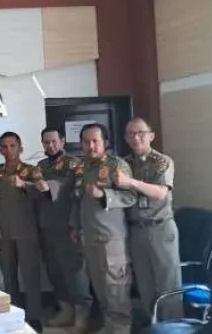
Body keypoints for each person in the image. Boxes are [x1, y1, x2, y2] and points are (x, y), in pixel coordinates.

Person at [71, 123, 137, 334]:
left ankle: (120, 329)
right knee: (100, 288)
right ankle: (110, 327)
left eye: (95, 141)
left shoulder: (116, 165)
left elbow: (131, 196)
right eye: (86, 142)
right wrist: (75, 226)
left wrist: (104, 195)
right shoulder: (83, 168)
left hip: (111, 238)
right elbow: (78, 200)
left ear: (105, 143)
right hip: (89, 236)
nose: (90, 146)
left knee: (115, 288)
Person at [118, 118, 180, 322]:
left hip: (160, 228)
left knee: (168, 283)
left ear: (151, 136)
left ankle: (172, 327)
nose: (136, 138)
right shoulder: (124, 163)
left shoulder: (162, 161)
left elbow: (160, 193)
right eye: (131, 134)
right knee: (145, 284)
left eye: (141, 133)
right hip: (135, 229)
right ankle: (153, 325)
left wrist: (130, 182)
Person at [0, 132, 45, 333]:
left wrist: (24, 185)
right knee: (8, 276)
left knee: (30, 276)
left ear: (21, 148)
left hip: (27, 231)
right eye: (4, 146)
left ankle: (34, 316)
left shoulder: (31, 171)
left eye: (13, 146)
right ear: (0, 150)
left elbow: (42, 195)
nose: (9, 150)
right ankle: (13, 314)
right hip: (3, 232)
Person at [35, 127, 93, 334]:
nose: (50, 145)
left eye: (54, 141)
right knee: (54, 270)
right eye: (46, 142)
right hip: (47, 225)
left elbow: (74, 189)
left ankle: (82, 313)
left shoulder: (74, 163)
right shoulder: (41, 165)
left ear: (62, 141)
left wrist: (49, 185)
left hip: (68, 225)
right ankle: (65, 309)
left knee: (74, 271)